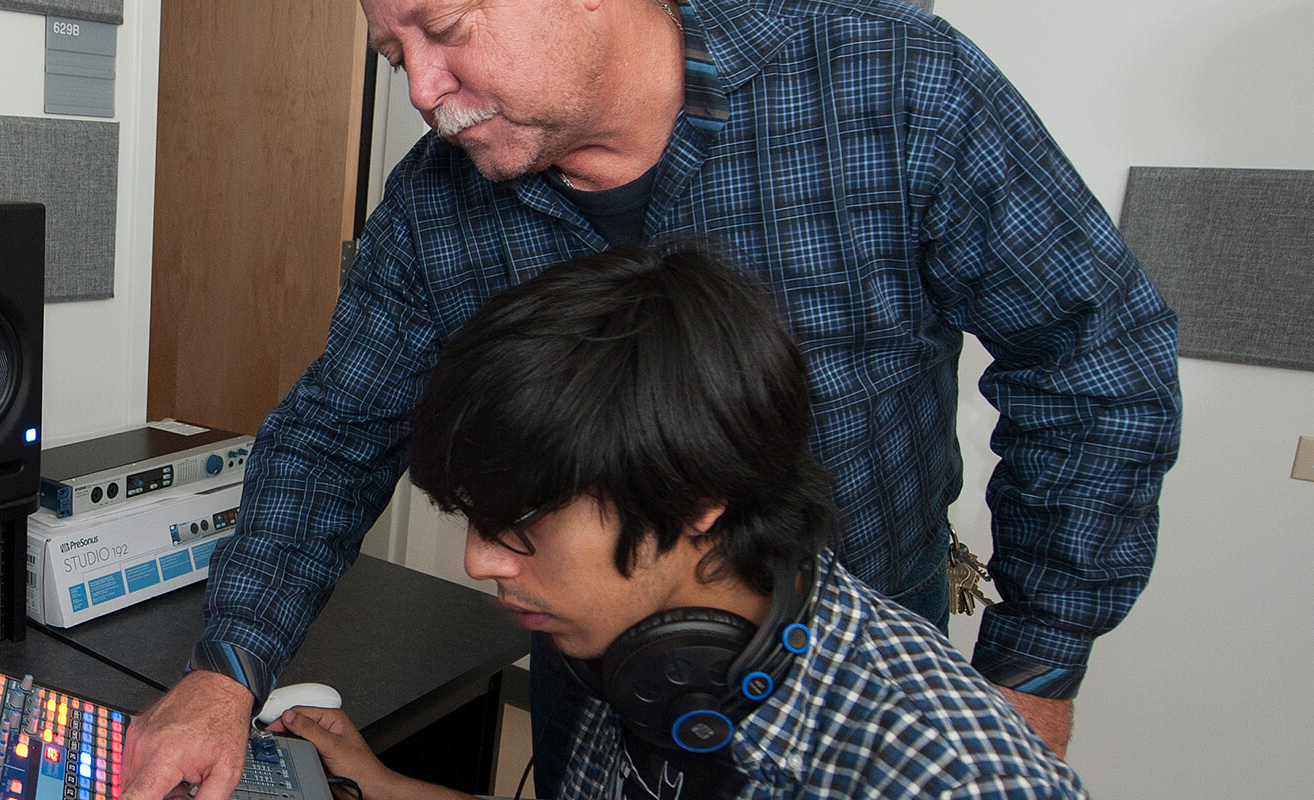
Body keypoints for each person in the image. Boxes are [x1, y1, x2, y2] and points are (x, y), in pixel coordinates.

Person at [126, 1, 1178, 798]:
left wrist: (1035, 664)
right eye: (398, 56)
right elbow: (330, 441)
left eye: (446, 30)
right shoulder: (431, 217)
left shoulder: (894, 85)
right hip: (607, 648)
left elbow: (1097, 362)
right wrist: (228, 666)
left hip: (850, 656)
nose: (424, 92)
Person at [267, 245, 1082, 800]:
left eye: (520, 525)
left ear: (695, 493)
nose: (480, 562)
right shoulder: (645, 642)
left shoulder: (951, 774)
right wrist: (381, 785)